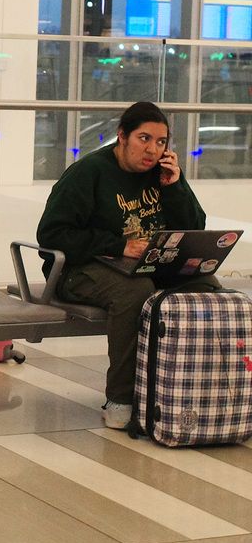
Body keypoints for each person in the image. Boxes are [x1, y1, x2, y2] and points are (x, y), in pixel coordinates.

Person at [36, 100, 219, 430]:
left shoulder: (161, 175)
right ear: (122, 137)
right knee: (134, 291)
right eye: (144, 138)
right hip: (78, 270)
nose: (152, 149)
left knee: (207, 286)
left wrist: (175, 187)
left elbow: (195, 228)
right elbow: (52, 234)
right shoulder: (88, 173)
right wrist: (119, 245)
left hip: (146, 266)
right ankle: (121, 397)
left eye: (161, 142)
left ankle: (200, 391)